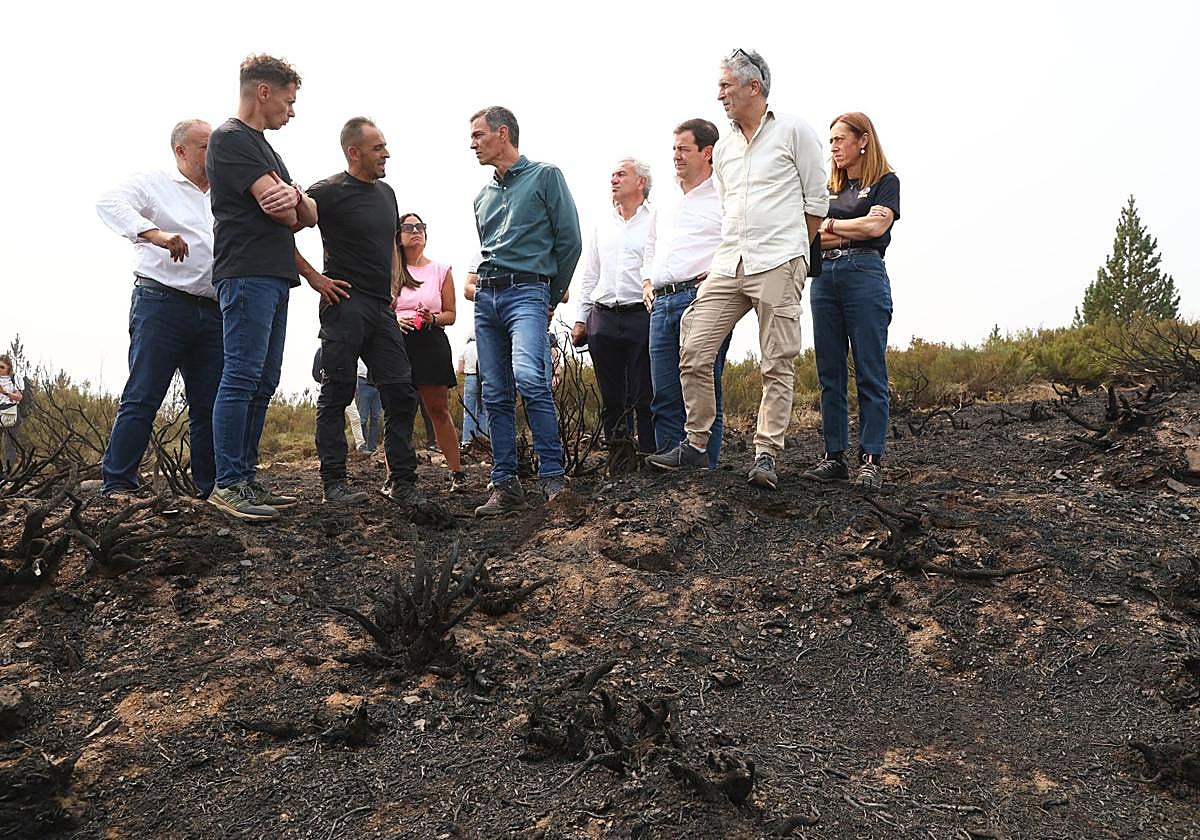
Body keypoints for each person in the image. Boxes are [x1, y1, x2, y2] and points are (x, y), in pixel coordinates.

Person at [647, 49, 828, 490]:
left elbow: (816, 202)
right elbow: (729, 206)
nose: (720, 93)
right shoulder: (724, 147)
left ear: (754, 87)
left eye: (727, 85)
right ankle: (695, 443)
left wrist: (792, 252)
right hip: (729, 264)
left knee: (776, 362)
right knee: (693, 348)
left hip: (778, 261)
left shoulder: (794, 131)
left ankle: (765, 454)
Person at [206, 54, 317, 520]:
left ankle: (247, 479)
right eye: (289, 101)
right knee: (241, 375)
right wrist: (295, 201)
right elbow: (284, 213)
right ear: (264, 92)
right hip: (246, 271)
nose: (292, 112)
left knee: (264, 379)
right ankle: (227, 483)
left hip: (273, 275)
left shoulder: (266, 149)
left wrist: (296, 198)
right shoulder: (231, 139)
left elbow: (307, 214)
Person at [297, 117, 422, 507]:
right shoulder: (327, 191)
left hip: (381, 307)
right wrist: (315, 278)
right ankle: (333, 483)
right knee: (337, 391)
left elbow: (389, 246)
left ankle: (402, 481)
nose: (386, 153)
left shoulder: (387, 193)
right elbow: (277, 231)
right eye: (378, 147)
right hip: (343, 303)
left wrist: (394, 287)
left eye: (385, 146)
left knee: (401, 393)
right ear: (354, 152)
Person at [95, 119, 223, 499]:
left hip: (215, 310)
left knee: (209, 404)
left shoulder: (225, 193)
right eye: (204, 146)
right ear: (180, 150)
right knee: (144, 394)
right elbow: (108, 203)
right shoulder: (155, 183)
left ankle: (210, 486)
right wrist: (156, 234)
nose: (211, 152)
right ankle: (118, 483)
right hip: (162, 304)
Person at [469, 106, 582, 517]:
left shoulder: (545, 176)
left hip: (527, 293)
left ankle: (554, 480)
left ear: (503, 134)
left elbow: (569, 240)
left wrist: (549, 294)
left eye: (479, 135)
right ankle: (505, 485)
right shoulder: (481, 197)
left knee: (532, 379)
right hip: (486, 297)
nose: (473, 143)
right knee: (494, 392)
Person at [802, 112, 899, 491]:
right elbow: (808, 237)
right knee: (829, 372)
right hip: (824, 278)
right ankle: (834, 457)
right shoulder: (826, 189)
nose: (834, 146)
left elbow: (876, 227)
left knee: (870, 371)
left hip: (865, 275)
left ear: (863, 140)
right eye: (831, 141)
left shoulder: (885, 183)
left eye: (841, 138)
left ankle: (871, 460)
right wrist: (844, 230)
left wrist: (830, 227)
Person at [644, 119, 729, 470]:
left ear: (706, 153)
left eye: (683, 149)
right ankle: (672, 472)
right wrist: (647, 283)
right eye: (674, 149)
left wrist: (715, 275)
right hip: (660, 302)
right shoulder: (666, 200)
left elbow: (737, 238)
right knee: (664, 394)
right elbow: (651, 246)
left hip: (701, 299)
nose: (676, 156)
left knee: (705, 390)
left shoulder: (725, 196)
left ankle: (705, 474)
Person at [573, 159, 656, 452]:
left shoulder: (655, 219)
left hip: (642, 315)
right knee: (612, 398)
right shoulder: (602, 224)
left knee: (644, 394)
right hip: (603, 317)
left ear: (641, 182)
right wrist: (581, 320)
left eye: (622, 174)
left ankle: (648, 456)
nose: (614, 179)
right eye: (612, 175)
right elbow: (590, 273)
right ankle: (619, 461)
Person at [394, 213, 466, 491]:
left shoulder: (441, 270)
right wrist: (394, 320)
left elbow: (451, 314)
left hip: (430, 342)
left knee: (438, 408)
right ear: (397, 235)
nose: (416, 232)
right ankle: (397, 476)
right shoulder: (389, 271)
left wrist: (433, 318)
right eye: (409, 227)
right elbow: (378, 308)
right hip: (397, 344)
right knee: (399, 412)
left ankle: (457, 473)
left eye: (421, 227)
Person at [310, 347, 367, 451]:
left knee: (355, 417)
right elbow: (315, 373)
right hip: (329, 391)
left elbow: (353, 370)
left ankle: (360, 444)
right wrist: (324, 382)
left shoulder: (348, 349)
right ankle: (326, 447)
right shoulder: (321, 351)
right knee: (329, 419)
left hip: (346, 390)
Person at [458, 330, 488, 446]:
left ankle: (467, 440)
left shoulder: (465, 348)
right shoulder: (485, 347)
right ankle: (483, 439)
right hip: (484, 379)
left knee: (469, 411)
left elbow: (460, 369)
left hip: (470, 378)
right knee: (484, 411)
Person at [0, 354, 24, 474]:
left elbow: (19, 397)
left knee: (9, 444)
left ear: (8, 367)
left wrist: (5, 393)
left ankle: (8, 472)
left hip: (10, 413)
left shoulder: (15, 378)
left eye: (2, 367)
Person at [354, 358, 382, 454]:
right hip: (363, 381)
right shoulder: (359, 345)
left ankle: (372, 447)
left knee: (376, 417)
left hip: (378, 381)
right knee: (362, 418)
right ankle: (363, 446)